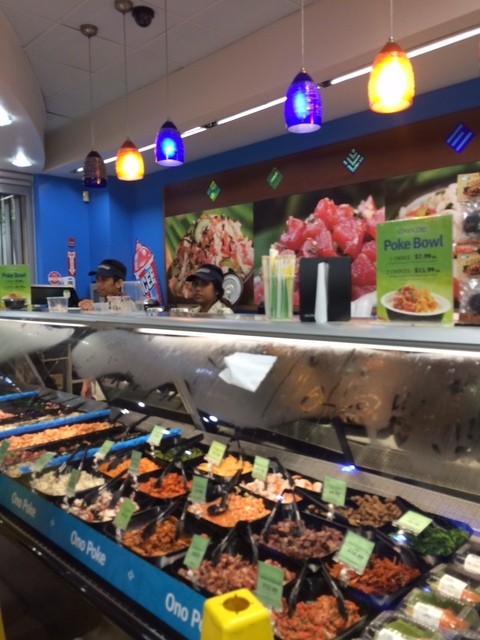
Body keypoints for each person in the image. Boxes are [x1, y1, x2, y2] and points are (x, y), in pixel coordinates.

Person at [78, 258, 127, 398]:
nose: (99, 284)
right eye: (97, 280)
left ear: (119, 283)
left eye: (104, 280)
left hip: (125, 381)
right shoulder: (100, 308)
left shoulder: (130, 308)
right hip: (102, 378)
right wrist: (87, 380)